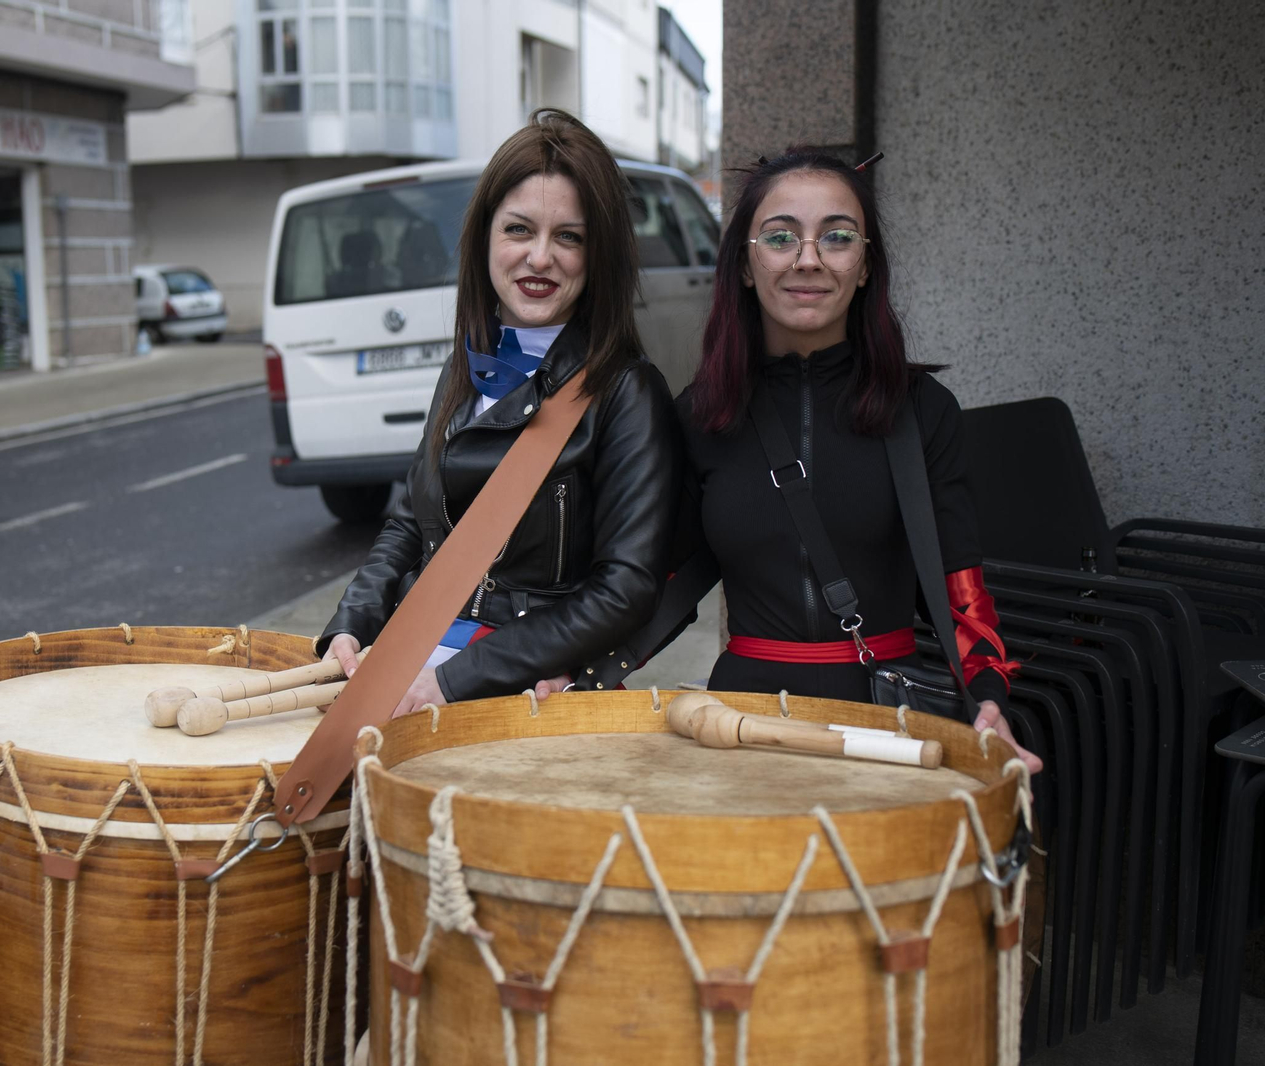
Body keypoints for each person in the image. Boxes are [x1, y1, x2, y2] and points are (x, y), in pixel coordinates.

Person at [678, 147, 1042, 773]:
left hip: (886, 716)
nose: (808, 259)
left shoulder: (922, 410)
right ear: (744, 264)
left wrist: (987, 699)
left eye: (837, 237)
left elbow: (961, 590)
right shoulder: (702, 414)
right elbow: (655, 578)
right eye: (781, 237)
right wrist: (579, 666)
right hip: (741, 719)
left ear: (866, 264)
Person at [318, 109, 680, 716]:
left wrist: (458, 679)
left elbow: (625, 589)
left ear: (599, 257)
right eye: (519, 230)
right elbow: (408, 525)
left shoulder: (627, 392)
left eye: (569, 236)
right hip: (412, 660)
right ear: (485, 237)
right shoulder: (464, 367)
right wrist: (350, 626)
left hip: (525, 687)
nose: (540, 257)